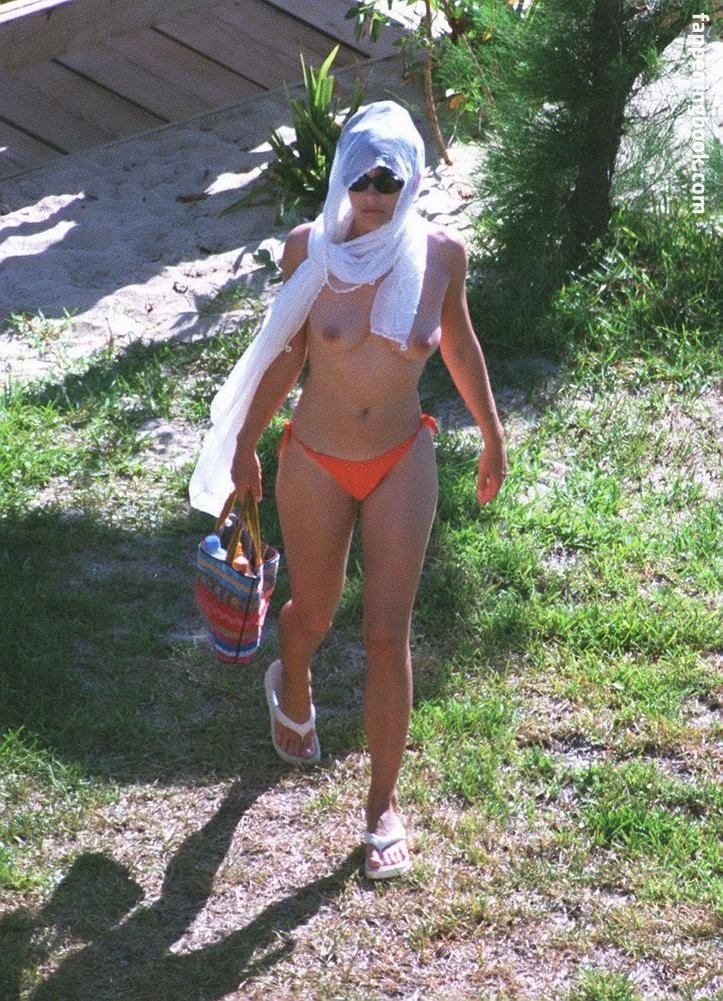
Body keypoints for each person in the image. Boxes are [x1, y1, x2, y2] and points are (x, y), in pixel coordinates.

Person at [189, 101, 506, 879]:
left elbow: (459, 345)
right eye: (360, 178)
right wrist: (244, 445)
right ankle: (291, 676)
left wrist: (492, 435)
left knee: (385, 633)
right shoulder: (312, 249)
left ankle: (381, 807)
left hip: (401, 455)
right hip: (316, 458)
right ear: (341, 177)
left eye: (387, 181)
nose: (371, 193)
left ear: (411, 181)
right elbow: (284, 352)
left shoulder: (441, 255)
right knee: (316, 611)